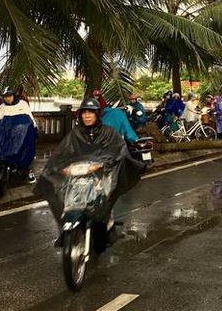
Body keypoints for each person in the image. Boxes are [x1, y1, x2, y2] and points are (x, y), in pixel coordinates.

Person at [34, 98, 143, 251]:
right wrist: (60, 167)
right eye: (84, 113)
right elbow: (63, 152)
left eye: (90, 113)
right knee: (64, 195)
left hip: (101, 173)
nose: (87, 116)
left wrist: (102, 164)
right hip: (79, 173)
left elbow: (116, 150)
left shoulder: (108, 132)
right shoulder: (75, 133)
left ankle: (106, 227)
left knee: (103, 202)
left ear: (97, 115)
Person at [0, 87, 37, 189]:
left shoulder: (22, 104)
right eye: (5, 97)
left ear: (14, 95)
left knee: (27, 150)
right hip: (7, 137)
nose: (7, 99)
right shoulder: (2, 107)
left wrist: (30, 129)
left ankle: (29, 171)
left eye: (9, 96)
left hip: (21, 135)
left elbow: (30, 120)